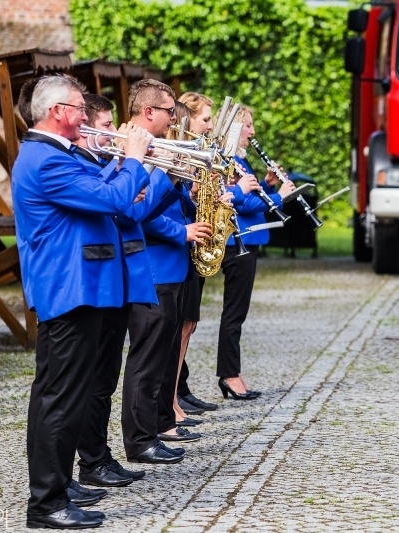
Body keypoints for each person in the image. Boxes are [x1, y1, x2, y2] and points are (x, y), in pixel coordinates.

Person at [13, 74, 151, 529]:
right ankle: (47, 503)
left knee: (57, 394)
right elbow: (111, 197)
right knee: (61, 397)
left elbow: (101, 192)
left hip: (78, 287)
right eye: (78, 107)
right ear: (58, 112)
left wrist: (125, 164)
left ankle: (60, 484)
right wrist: (134, 158)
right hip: (69, 289)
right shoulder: (45, 159)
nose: (85, 117)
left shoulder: (56, 154)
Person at [121, 79, 210, 466]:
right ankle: (141, 439)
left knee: (162, 355)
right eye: (170, 110)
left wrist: (182, 189)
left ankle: (158, 424)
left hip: (171, 264)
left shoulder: (155, 151)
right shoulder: (136, 154)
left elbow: (159, 202)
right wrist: (181, 228)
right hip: (153, 265)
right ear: (149, 112)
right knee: (146, 359)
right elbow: (137, 214)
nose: (176, 118)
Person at [72, 93, 156, 489]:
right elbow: (107, 204)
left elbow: (133, 213)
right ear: (86, 128)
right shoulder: (82, 165)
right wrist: (128, 166)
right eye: (106, 127)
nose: (112, 133)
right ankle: (90, 460)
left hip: (120, 280)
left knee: (106, 375)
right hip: (98, 281)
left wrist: (149, 182)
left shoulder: (106, 165)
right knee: (93, 378)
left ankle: (99, 455)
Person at [216, 105, 295, 400]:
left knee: (238, 311)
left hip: (249, 239)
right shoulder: (229, 162)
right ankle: (229, 374)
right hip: (239, 240)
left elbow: (252, 195)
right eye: (248, 126)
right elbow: (242, 204)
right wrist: (279, 197)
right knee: (234, 312)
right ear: (236, 130)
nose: (253, 132)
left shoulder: (240, 161)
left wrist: (267, 185)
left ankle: (232, 372)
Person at [173, 92, 220, 418]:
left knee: (187, 326)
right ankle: (171, 400)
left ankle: (178, 393)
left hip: (190, 242)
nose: (209, 126)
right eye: (205, 119)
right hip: (176, 248)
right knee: (177, 328)